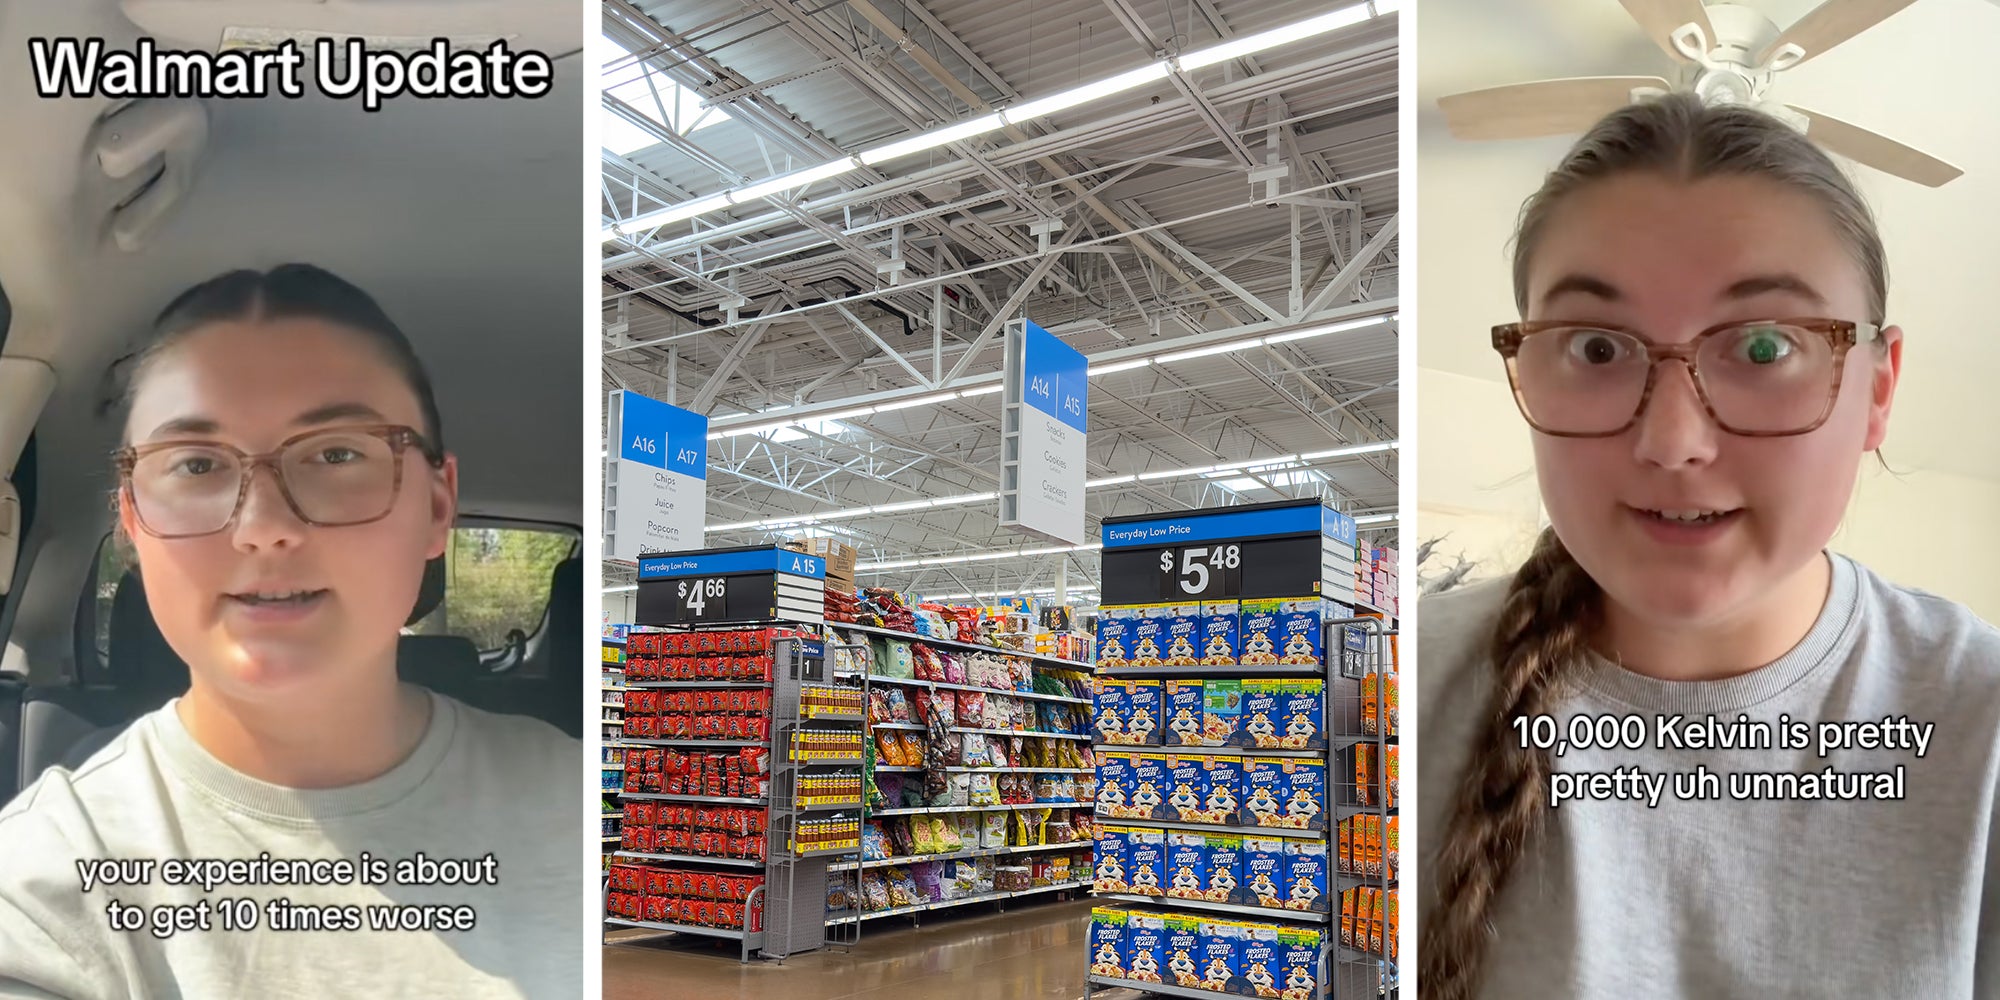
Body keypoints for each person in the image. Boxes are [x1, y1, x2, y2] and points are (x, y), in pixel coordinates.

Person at [1418, 92, 2000, 999]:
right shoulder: (1392, 690)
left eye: (1765, 346)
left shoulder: (1981, 726)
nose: (1673, 441)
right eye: (1599, 349)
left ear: (1877, 392)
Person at [0, 265, 583, 998]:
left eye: (337, 454)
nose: (264, 527)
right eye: (198, 464)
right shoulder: (41, 881)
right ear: (133, 524)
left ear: (438, 508)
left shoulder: (585, 811)